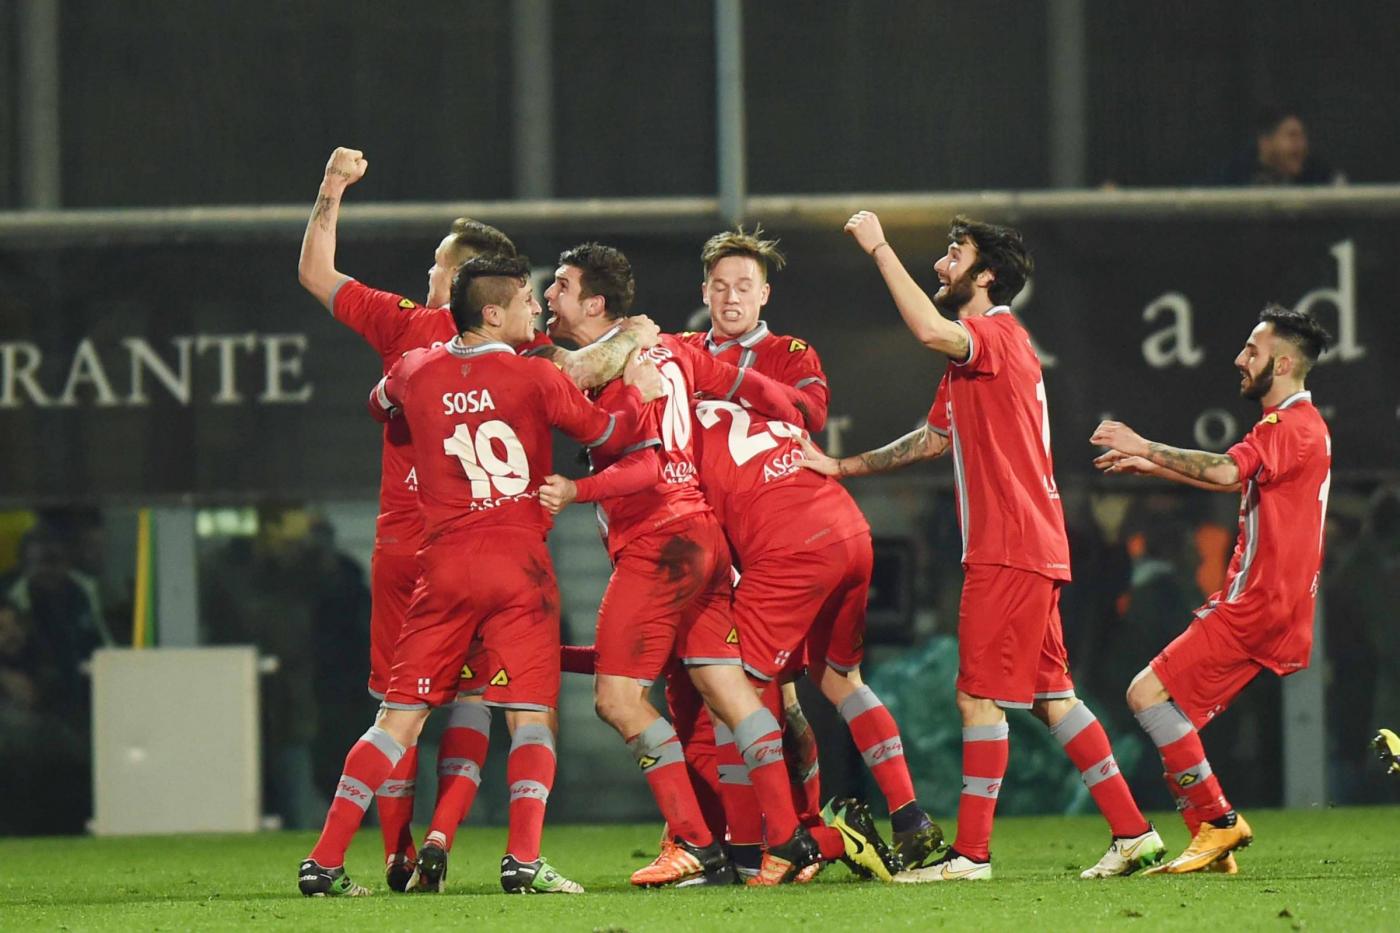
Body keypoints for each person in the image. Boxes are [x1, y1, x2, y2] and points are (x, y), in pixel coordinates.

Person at [297, 147, 660, 890]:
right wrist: (637, 367)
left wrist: (332, 187)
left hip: (425, 555)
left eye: (439, 264)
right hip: (514, 561)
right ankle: (513, 854)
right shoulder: (534, 365)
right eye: (527, 297)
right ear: (494, 302)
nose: (537, 307)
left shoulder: (412, 354)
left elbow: (377, 398)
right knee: (519, 711)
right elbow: (600, 422)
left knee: (398, 714)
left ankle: (353, 858)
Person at [799, 212, 1161, 882]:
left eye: (954, 252)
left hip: (1008, 546)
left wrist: (879, 247)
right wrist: (843, 466)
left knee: (977, 698)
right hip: (1030, 544)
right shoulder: (981, 357)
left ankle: (972, 854)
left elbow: (929, 329)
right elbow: (933, 438)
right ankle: (1134, 832)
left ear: (986, 274)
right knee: (1053, 697)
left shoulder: (992, 335)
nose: (941, 263)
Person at [537, 242, 859, 886]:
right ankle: (790, 838)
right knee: (729, 691)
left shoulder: (626, 368)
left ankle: (694, 841)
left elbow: (647, 460)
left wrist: (578, 489)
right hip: (702, 539)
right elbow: (720, 389)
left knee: (618, 699)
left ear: (595, 304)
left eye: (561, 287)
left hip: (661, 542)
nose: (548, 296)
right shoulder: (663, 350)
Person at [679, 227, 942, 875]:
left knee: (740, 691)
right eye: (721, 285)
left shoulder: (786, 351)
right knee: (833, 678)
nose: (732, 297)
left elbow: (810, 413)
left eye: (744, 286)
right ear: (704, 290)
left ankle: (766, 847)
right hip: (822, 535)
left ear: (765, 295)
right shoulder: (683, 353)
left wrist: (723, 377)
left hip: (788, 544)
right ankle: (906, 815)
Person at [1091, 303, 1334, 874]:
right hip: (1276, 603)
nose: (1239, 359)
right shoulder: (1302, 427)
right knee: (1168, 709)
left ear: (1283, 363)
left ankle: (1217, 821)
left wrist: (1144, 445)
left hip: (1256, 603)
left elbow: (1226, 471)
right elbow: (1238, 479)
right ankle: (1212, 835)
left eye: (1252, 350)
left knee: (1146, 694)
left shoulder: (1287, 426)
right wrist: (1156, 469)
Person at [1215, 107, 1341, 186]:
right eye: (1292, 136)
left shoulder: (1319, 174)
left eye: (1303, 136)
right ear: (1265, 143)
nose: (1302, 145)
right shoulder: (1234, 177)